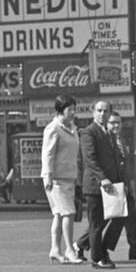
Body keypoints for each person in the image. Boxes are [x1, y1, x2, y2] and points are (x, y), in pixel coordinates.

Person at [102, 111, 136, 261]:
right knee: (105, 220)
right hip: (112, 185)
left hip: (124, 185)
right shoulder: (105, 141)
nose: (116, 125)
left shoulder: (122, 141)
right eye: (112, 122)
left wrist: (129, 184)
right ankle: (82, 244)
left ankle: (135, 250)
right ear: (106, 124)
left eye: (118, 122)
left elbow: (127, 164)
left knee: (131, 218)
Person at [78, 100, 123, 269]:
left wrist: (119, 182)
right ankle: (97, 258)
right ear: (93, 112)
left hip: (112, 185)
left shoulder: (109, 133)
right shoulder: (88, 132)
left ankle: (103, 250)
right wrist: (102, 178)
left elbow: (115, 160)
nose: (102, 114)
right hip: (95, 185)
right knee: (96, 223)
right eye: (99, 110)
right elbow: (90, 159)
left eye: (105, 111)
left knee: (118, 217)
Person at [41, 95, 82, 263]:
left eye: (74, 109)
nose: (72, 112)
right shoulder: (53, 129)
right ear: (60, 110)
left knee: (59, 214)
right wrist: (49, 176)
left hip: (69, 176)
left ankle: (55, 249)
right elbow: (48, 154)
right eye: (69, 109)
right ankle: (70, 250)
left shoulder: (72, 128)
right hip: (56, 178)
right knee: (68, 213)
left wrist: (77, 176)